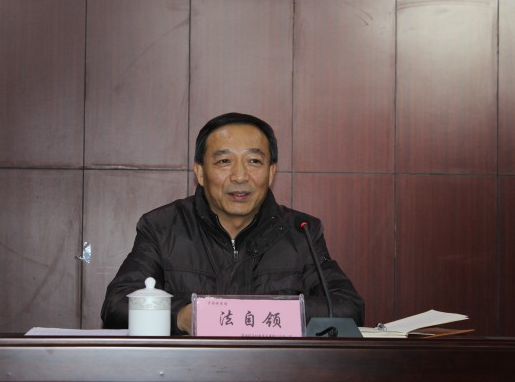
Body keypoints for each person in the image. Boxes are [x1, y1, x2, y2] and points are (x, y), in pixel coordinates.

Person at [101, 112, 364, 334]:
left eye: (254, 161)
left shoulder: (301, 232)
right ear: (200, 172)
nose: (240, 176)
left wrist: (262, 314)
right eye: (224, 161)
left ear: (271, 172)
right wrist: (181, 316)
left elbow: (347, 307)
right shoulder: (163, 227)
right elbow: (116, 305)